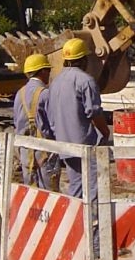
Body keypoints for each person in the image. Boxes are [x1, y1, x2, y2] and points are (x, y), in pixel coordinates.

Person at [46, 38, 110, 198]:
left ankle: (74, 218)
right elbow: (94, 112)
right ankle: (94, 220)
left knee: (77, 186)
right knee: (94, 187)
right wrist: (105, 131)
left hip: (63, 144)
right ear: (83, 60)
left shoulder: (55, 82)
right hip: (84, 145)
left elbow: (51, 113)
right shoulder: (85, 81)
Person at [14, 52, 58, 189]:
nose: (49, 74)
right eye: (48, 70)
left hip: (25, 149)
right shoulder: (45, 93)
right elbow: (53, 124)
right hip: (45, 150)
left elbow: (16, 122)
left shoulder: (19, 93)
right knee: (50, 192)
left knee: (31, 191)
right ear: (43, 71)